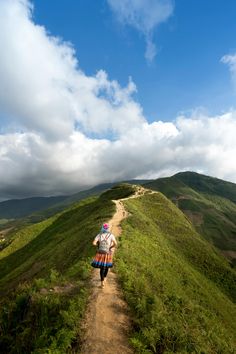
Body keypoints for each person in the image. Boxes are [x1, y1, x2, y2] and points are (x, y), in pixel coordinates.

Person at [91, 223, 117, 287]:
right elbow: (115, 243)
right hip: (107, 253)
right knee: (107, 266)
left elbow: (93, 243)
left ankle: (102, 282)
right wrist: (110, 247)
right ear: (108, 228)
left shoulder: (99, 235)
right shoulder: (111, 235)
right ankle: (105, 278)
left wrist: (98, 245)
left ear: (102, 228)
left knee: (102, 268)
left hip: (100, 253)